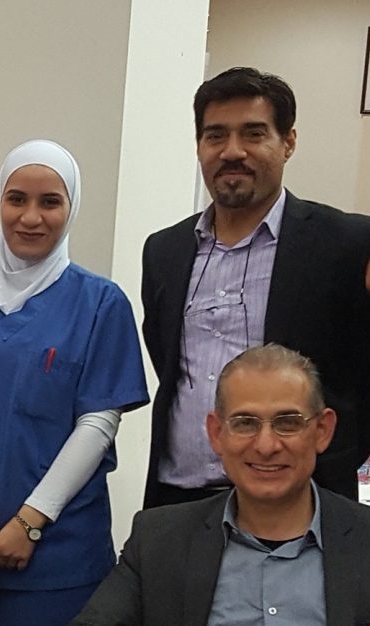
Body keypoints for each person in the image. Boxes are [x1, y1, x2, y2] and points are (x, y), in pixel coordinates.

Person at [0, 140, 149, 625]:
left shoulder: (101, 303)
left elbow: (98, 424)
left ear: (71, 209)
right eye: (16, 199)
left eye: (50, 202)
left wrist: (30, 522)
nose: (30, 217)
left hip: (57, 559)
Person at [140, 67, 370, 508]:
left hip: (303, 504)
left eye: (253, 133)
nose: (232, 151)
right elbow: (168, 361)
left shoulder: (346, 244)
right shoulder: (164, 251)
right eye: (216, 135)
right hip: (178, 499)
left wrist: (339, 458)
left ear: (288, 142)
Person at [72, 345, 370, 625]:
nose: (266, 446)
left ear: (322, 431)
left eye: (287, 422)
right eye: (245, 423)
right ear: (216, 433)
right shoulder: (158, 542)